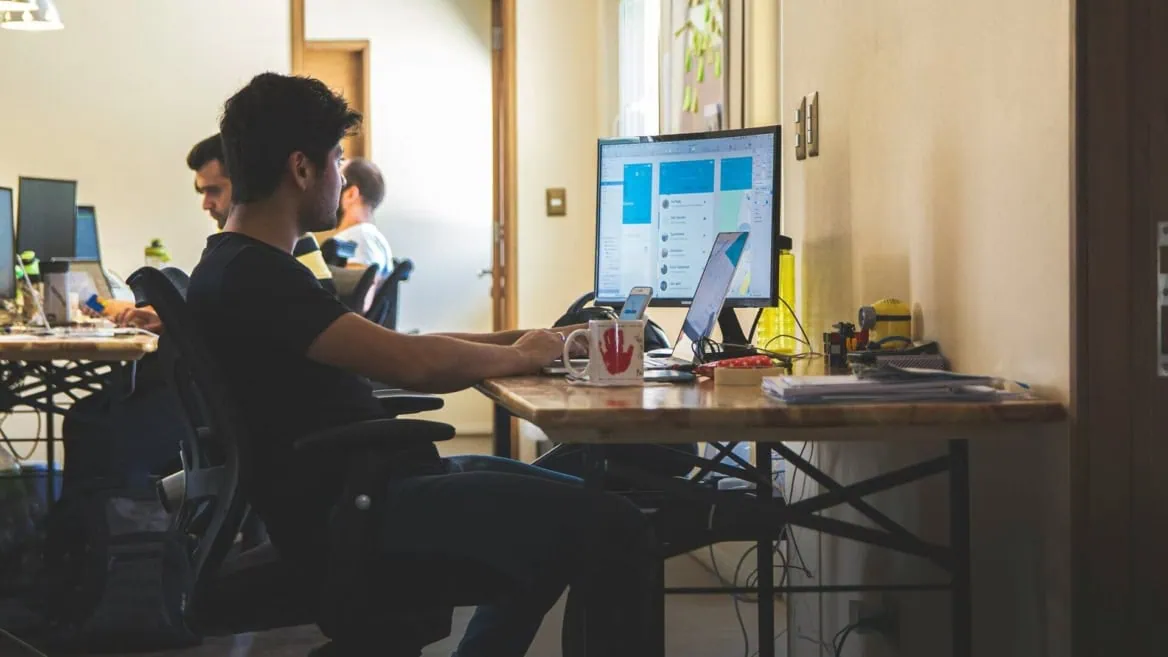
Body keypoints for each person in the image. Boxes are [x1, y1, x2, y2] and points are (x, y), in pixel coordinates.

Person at [188, 72, 654, 657]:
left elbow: (391, 346)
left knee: (570, 506)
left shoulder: (238, 267)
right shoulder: (258, 277)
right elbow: (412, 364)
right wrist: (521, 355)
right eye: (336, 157)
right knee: (616, 527)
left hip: (362, 490)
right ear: (302, 168)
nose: (341, 175)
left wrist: (530, 339)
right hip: (359, 510)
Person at [314, 157, 394, 275]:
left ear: (351, 194)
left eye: (338, 182)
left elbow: (366, 287)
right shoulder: (371, 237)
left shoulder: (358, 237)